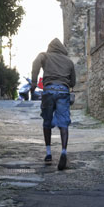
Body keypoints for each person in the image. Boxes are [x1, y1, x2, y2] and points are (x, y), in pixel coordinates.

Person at [31, 38, 76, 170]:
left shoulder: (45, 56)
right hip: (63, 91)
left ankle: (49, 153)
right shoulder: (69, 61)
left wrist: (34, 83)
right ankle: (63, 152)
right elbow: (73, 82)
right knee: (64, 123)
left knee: (47, 121)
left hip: (49, 90)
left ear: (50, 47)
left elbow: (35, 62)